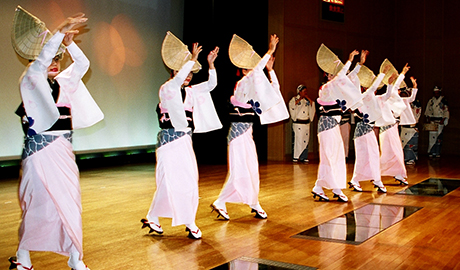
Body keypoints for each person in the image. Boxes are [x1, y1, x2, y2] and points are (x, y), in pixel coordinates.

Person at [10, 7, 103, 270]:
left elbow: (82, 65)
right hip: (39, 154)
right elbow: (40, 63)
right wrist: (59, 31)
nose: (55, 61)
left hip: (63, 151)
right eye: (52, 56)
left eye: (58, 58)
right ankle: (23, 257)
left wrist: (70, 45)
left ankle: (75, 258)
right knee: (36, 205)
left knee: (70, 204)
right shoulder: (30, 78)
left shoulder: (65, 82)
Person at [141, 32, 221, 239]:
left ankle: (156, 217)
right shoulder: (167, 88)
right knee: (170, 181)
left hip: (184, 139)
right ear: (174, 70)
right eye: (184, 71)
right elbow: (176, 83)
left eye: (191, 72)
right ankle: (186, 221)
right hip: (168, 141)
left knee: (187, 180)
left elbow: (211, 86)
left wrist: (210, 64)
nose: (188, 76)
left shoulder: (192, 91)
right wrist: (192, 59)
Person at [211, 34, 288, 220]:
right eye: (252, 69)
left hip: (247, 132)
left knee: (251, 169)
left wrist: (271, 70)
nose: (255, 71)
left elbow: (274, 91)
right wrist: (270, 50)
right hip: (237, 134)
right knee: (239, 170)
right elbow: (256, 73)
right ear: (244, 71)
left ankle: (250, 202)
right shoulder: (242, 84)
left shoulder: (252, 84)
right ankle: (227, 202)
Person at [312, 46, 364, 202]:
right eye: (332, 74)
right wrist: (349, 60)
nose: (335, 76)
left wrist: (359, 65)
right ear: (328, 75)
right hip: (327, 125)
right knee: (332, 156)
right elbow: (342, 76)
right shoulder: (326, 88)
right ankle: (335, 188)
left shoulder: (334, 87)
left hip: (331, 126)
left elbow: (347, 77)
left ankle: (319, 186)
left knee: (333, 156)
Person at [349, 53, 388, 193]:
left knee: (366, 156)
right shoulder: (363, 96)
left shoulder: (367, 97)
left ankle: (357, 179)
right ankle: (376, 180)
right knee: (370, 155)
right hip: (364, 130)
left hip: (364, 130)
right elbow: (372, 88)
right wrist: (382, 74)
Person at [376, 63, 410, 185]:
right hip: (387, 128)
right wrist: (402, 73)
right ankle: (377, 175)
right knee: (389, 152)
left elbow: (395, 87)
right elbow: (394, 87)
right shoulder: (386, 97)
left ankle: (398, 173)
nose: (399, 90)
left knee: (394, 151)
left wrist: (403, 73)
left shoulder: (393, 96)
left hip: (392, 127)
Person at [289, 84, 315, 163]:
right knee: (298, 141)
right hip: (298, 124)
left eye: (306, 91)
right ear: (299, 92)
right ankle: (296, 156)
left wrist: (308, 99)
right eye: (303, 91)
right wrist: (299, 99)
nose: (305, 93)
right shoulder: (294, 99)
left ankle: (304, 157)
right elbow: (292, 106)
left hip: (306, 123)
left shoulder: (307, 100)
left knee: (305, 141)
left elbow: (312, 105)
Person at [399, 77, 421, 165]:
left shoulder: (415, 103)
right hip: (404, 126)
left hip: (411, 126)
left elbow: (417, 115)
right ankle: (403, 159)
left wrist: (415, 86)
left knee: (411, 145)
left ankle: (411, 158)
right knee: (403, 145)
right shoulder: (401, 102)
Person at [425, 86, 449, 158]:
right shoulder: (431, 101)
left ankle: (437, 152)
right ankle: (431, 152)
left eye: (437, 93)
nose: (436, 94)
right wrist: (428, 118)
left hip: (440, 120)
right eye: (435, 93)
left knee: (438, 138)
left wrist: (443, 119)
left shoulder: (443, 101)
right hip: (432, 120)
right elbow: (428, 110)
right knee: (431, 137)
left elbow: (446, 111)